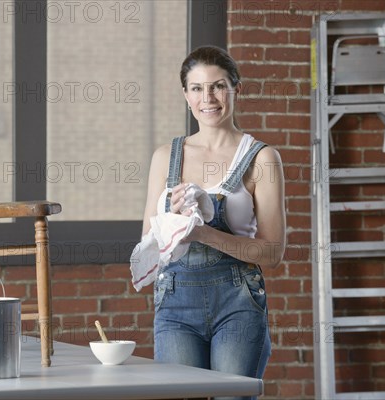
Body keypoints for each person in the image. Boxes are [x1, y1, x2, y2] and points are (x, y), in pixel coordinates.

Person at [141, 46, 285, 398]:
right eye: (197, 88)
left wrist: (204, 233)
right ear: (185, 95)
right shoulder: (165, 158)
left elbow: (272, 253)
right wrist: (171, 221)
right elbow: (147, 247)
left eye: (218, 86)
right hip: (176, 305)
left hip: (237, 303)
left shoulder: (262, 159)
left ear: (236, 88)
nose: (208, 98)